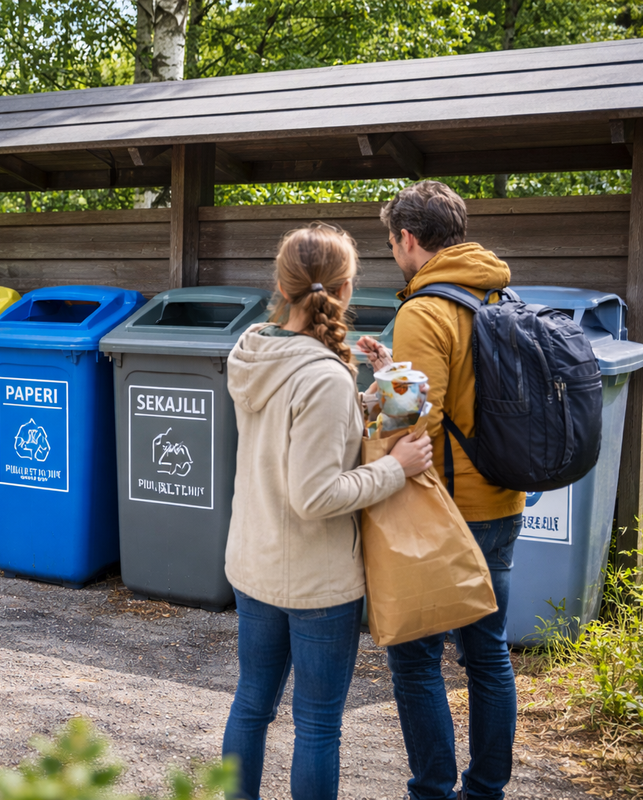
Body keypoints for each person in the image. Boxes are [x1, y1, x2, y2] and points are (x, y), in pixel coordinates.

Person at [222, 222, 434, 800]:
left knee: (251, 706)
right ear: (343, 289)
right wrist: (398, 469)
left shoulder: (254, 348)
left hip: (253, 562)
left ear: (283, 284)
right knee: (316, 725)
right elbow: (315, 496)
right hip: (316, 582)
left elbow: (306, 433)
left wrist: (369, 383)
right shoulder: (321, 375)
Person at [362, 180, 526, 800]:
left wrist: (375, 408)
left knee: (415, 659)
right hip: (503, 498)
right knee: (488, 656)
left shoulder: (424, 309)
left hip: (446, 508)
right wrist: (391, 372)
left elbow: (415, 424)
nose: (393, 252)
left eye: (391, 242)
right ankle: (486, 790)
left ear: (408, 239)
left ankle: (432, 790)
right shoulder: (498, 292)